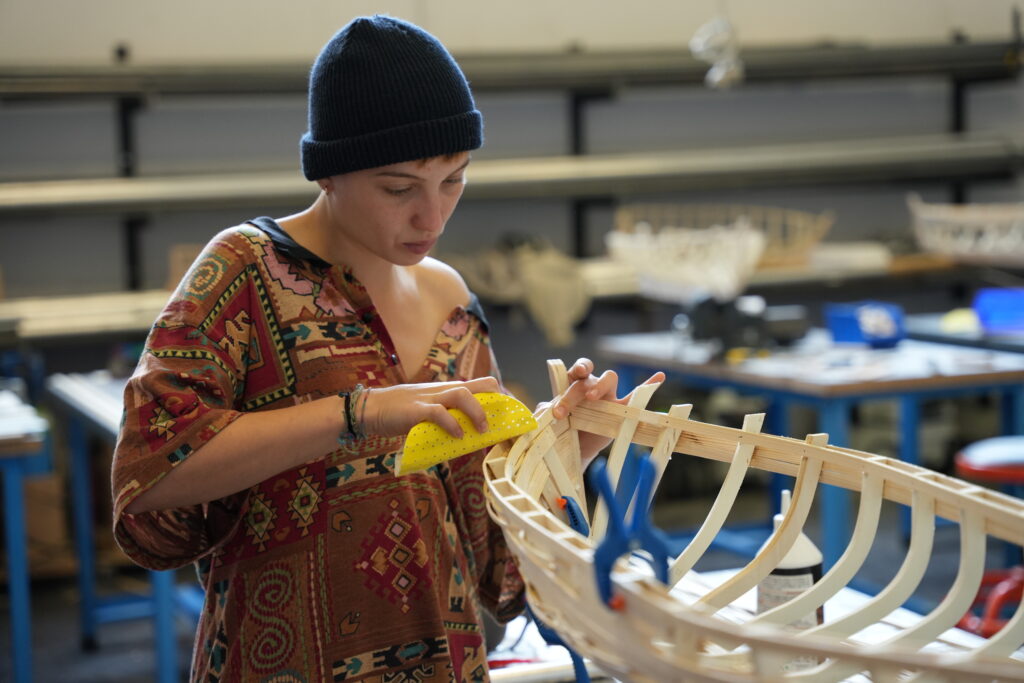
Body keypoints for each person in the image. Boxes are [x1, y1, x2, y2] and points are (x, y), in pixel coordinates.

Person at [111, 14, 662, 682]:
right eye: (399, 189)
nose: (431, 217)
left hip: (441, 658)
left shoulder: (450, 302)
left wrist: (561, 452)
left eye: (454, 179)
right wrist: (360, 412)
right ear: (328, 174)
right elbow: (151, 472)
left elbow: (489, 537)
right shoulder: (245, 271)